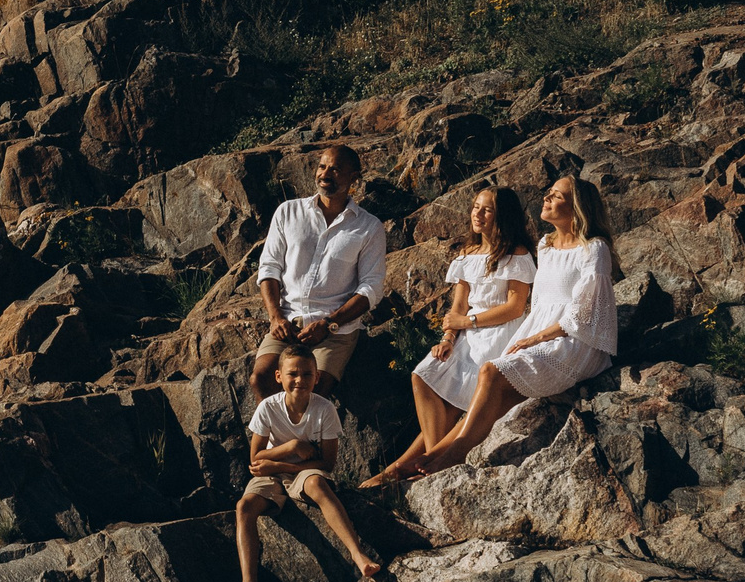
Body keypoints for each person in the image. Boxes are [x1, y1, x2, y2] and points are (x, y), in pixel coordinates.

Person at [410, 174, 620, 476]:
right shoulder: (545, 245)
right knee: (491, 395)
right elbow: (541, 305)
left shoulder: (593, 248)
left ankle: (452, 456)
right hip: (539, 332)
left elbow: (585, 311)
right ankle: (427, 459)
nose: (546, 198)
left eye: (556, 195)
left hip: (574, 341)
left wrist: (537, 338)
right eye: (548, 192)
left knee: (490, 371)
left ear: (577, 207)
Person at [366, 186, 535, 488]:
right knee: (423, 374)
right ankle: (430, 459)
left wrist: (467, 321)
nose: (477, 213)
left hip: (500, 333)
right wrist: (447, 337)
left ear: (502, 216)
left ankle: (409, 467)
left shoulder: (516, 254)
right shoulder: (468, 254)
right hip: (467, 332)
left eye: (486, 209)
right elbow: (458, 305)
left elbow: (515, 307)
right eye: (475, 207)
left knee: (458, 404)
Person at [227, 350, 387, 582]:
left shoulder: (324, 410)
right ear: (279, 377)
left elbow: (327, 464)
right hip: (270, 472)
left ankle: (357, 555)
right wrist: (291, 446)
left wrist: (285, 465)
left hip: (305, 471)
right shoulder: (268, 407)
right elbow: (256, 458)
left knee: (316, 484)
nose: (299, 379)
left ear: (317, 378)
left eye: (306, 374)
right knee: (244, 507)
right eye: (292, 373)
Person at [252, 143, 387, 403]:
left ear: (353, 177)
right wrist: (275, 316)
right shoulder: (288, 212)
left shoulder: (369, 227)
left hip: (335, 332)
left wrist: (328, 324)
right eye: (322, 166)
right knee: (261, 379)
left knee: (310, 394)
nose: (325, 174)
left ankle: (300, 444)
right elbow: (269, 267)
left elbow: (371, 289)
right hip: (287, 323)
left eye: (336, 169)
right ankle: (274, 444)